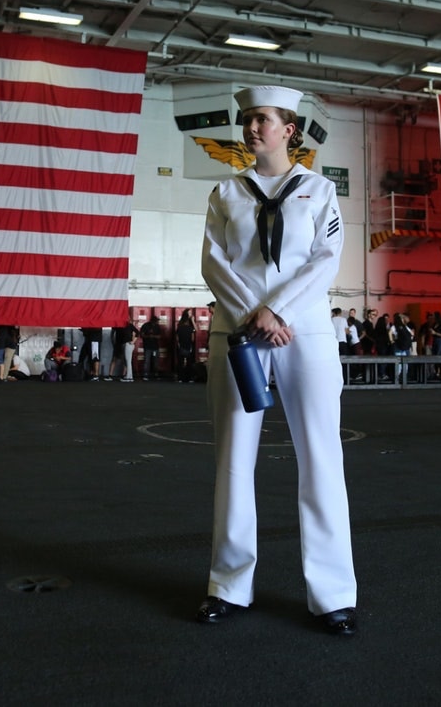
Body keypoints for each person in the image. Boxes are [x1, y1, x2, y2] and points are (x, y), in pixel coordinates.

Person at [197, 84, 357, 636]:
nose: (251, 128)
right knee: (234, 460)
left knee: (322, 459)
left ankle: (333, 595)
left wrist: (279, 309)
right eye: (246, 119)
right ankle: (229, 584)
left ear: (289, 129)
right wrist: (254, 313)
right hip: (240, 333)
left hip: (305, 332)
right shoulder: (225, 192)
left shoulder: (319, 190)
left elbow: (325, 259)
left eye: (262, 119)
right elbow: (213, 264)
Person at [175, 310, 197, 383]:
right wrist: (193, 321)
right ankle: (189, 378)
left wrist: (179, 345)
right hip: (188, 346)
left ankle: (180, 378)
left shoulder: (179, 327)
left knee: (180, 363)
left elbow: (177, 338)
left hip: (181, 346)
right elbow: (193, 338)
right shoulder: (190, 328)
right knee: (189, 363)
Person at [140, 314, 162, 380]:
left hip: (155, 346)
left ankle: (156, 374)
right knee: (147, 361)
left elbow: (160, 336)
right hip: (147, 346)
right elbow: (141, 335)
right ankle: (145, 374)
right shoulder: (145, 326)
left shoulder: (157, 327)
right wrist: (148, 336)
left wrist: (153, 336)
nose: (157, 322)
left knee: (156, 361)